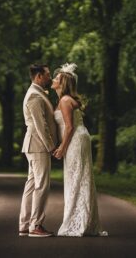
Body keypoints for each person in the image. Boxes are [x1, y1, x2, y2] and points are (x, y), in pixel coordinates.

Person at [51, 63, 107, 237]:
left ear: (63, 84)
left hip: (75, 139)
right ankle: (84, 220)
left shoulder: (65, 100)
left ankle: (77, 222)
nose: (53, 80)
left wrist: (61, 148)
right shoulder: (64, 99)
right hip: (79, 138)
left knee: (76, 178)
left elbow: (69, 127)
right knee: (78, 177)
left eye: (57, 78)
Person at [18, 63, 59, 237]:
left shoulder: (37, 93)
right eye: (48, 74)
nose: (50, 77)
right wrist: (51, 146)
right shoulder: (34, 95)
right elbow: (40, 125)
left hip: (35, 145)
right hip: (38, 145)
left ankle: (25, 224)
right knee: (42, 185)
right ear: (39, 76)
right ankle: (36, 226)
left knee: (32, 185)